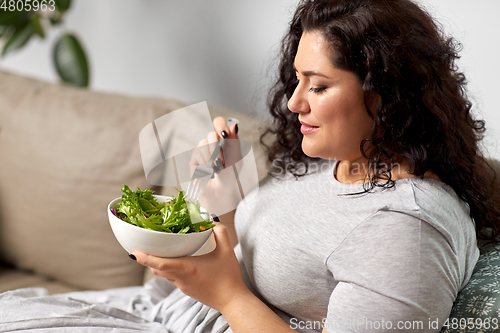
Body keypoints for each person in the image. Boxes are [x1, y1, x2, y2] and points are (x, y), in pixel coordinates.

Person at [1, 0, 499, 332]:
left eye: (318, 86)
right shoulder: (337, 158)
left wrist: (225, 295)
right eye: (297, 80)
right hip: (159, 310)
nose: (293, 103)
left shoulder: (406, 229)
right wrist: (220, 203)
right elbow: (257, 260)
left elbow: (239, 295)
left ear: (386, 93)